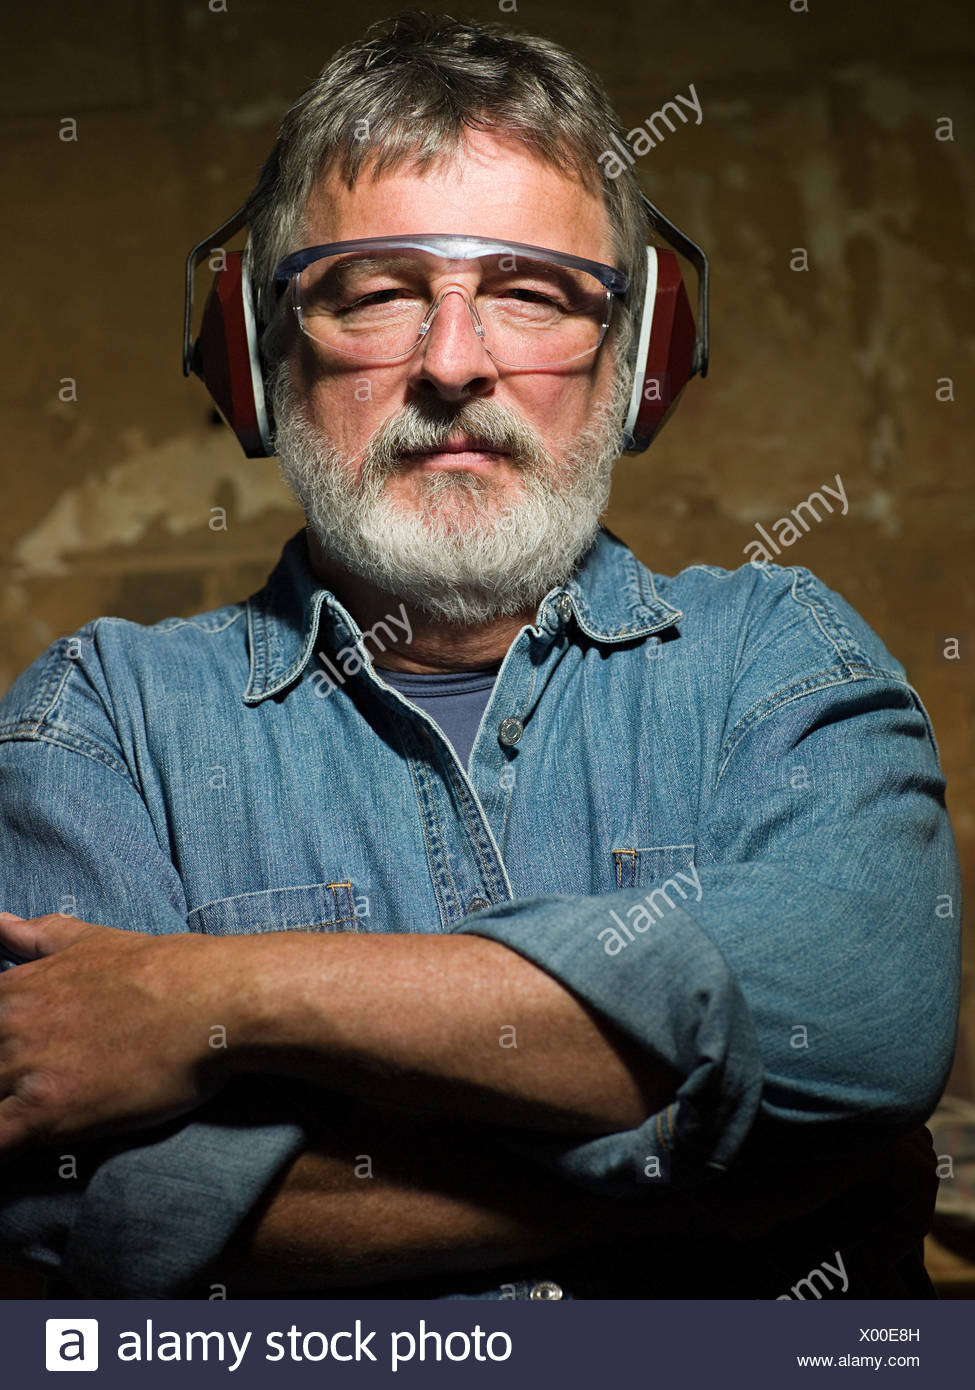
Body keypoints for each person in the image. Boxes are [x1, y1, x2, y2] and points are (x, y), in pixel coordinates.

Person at [0, 11, 960, 1301]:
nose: (454, 363)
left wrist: (204, 999)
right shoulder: (100, 718)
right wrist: (733, 1182)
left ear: (635, 365)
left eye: (530, 293)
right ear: (259, 351)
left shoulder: (777, 657)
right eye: (377, 292)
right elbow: (66, 1216)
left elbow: (861, 1026)